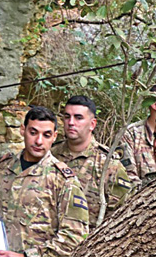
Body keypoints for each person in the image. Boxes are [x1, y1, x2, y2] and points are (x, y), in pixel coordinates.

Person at [0, 106, 89, 257]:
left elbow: (74, 236)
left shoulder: (63, 180)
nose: (39, 141)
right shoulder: (2, 169)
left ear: (54, 136)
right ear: (23, 130)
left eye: (46, 135)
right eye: (33, 132)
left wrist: (26, 256)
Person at [50, 96, 131, 230]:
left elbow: (120, 215)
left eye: (78, 118)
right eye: (67, 117)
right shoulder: (51, 154)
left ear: (92, 124)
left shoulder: (109, 164)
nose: (71, 122)